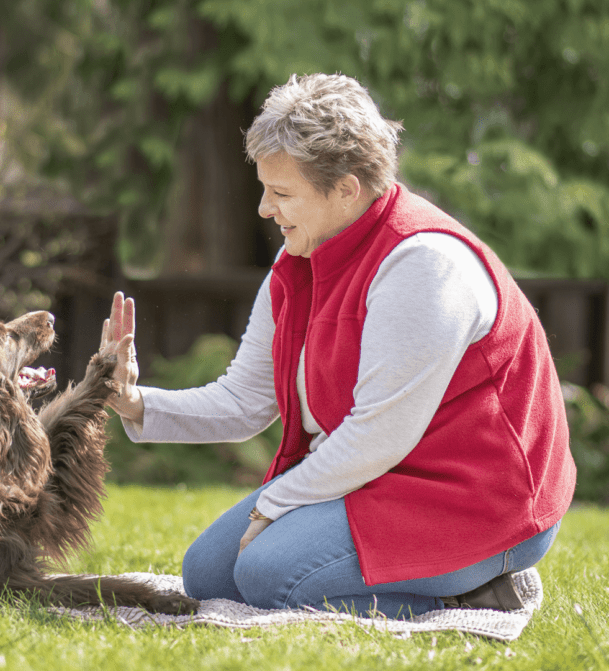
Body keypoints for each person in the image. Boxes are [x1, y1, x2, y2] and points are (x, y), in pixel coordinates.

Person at [99, 73, 576, 619]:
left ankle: (482, 592)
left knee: (268, 574)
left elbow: (377, 436)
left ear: (347, 188)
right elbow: (244, 401)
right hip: (379, 476)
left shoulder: (422, 266)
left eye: (281, 193)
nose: (263, 209)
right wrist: (135, 402)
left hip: (482, 503)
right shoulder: (297, 260)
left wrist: (271, 508)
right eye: (264, 188)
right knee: (207, 575)